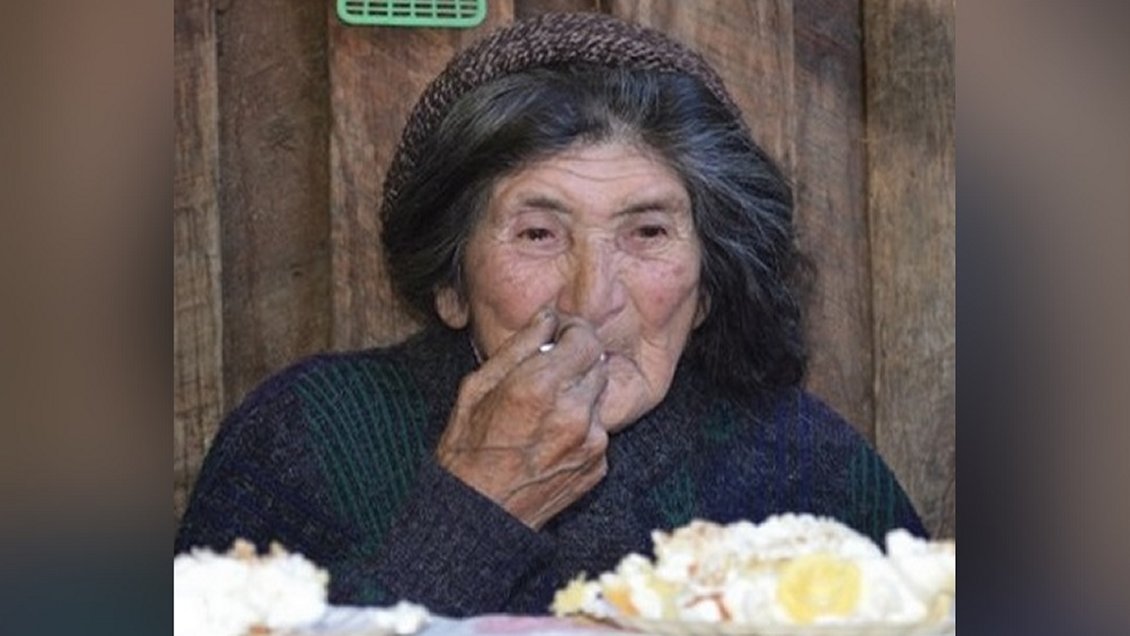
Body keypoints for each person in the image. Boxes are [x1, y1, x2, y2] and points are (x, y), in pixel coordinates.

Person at [176, 12, 926, 616]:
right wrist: (472, 510)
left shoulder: (805, 465)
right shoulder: (308, 435)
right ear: (452, 283)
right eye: (538, 234)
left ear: (706, 284)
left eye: (648, 232)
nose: (591, 296)